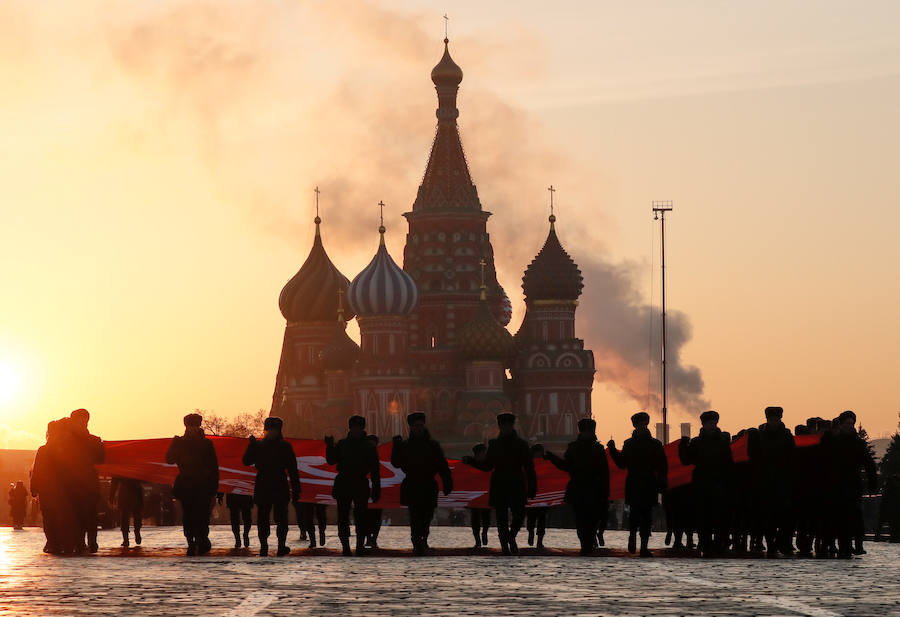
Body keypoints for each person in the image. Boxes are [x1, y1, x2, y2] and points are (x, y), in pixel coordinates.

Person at [462, 413, 536, 555]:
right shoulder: (494, 445)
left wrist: (532, 486)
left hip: (516, 483)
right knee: (501, 518)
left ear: (512, 426)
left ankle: (510, 537)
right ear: (500, 427)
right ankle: (505, 546)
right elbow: (488, 466)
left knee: (519, 516)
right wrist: (471, 461)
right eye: (504, 425)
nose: (506, 428)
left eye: (508, 425)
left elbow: (529, 467)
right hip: (500, 483)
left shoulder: (521, 445)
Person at [390, 412, 453, 555]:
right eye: (415, 426)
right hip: (412, 484)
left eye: (420, 426)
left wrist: (447, 482)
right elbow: (396, 463)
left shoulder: (433, 445)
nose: (418, 428)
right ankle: (417, 541)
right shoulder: (405, 446)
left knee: (427, 515)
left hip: (428, 485)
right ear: (411, 428)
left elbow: (442, 465)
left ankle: (423, 538)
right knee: (415, 515)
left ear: (423, 426)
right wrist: (396, 447)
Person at [545, 418, 610, 556]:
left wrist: (605, 493)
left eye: (589, 431)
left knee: (592, 521)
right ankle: (585, 545)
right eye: (586, 430)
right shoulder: (574, 447)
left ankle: (588, 543)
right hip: (579, 489)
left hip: (594, 490)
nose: (588, 433)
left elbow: (604, 472)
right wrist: (552, 458)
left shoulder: (597, 448)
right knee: (580, 521)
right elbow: (565, 466)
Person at [608, 412, 667, 557]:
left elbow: (662, 466)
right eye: (639, 424)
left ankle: (644, 546)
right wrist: (613, 450)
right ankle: (633, 536)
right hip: (634, 483)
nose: (641, 426)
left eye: (644, 423)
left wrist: (661, 483)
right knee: (634, 515)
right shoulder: (629, 444)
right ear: (635, 425)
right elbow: (622, 463)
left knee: (647, 517)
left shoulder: (655, 444)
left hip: (648, 484)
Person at [820, 410, 877, 558]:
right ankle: (838, 545)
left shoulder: (858, 443)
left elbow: (869, 464)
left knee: (853, 517)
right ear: (841, 424)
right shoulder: (832, 442)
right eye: (847, 423)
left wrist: (872, 484)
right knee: (837, 517)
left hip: (852, 486)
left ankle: (852, 545)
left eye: (852, 423)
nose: (850, 426)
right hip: (834, 486)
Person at [242, 416, 301, 557]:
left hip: (278, 484)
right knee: (263, 518)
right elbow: (246, 461)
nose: (273, 432)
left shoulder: (284, 446)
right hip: (265, 484)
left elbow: (293, 469)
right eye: (271, 429)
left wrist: (296, 488)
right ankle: (264, 545)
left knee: (281, 518)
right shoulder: (259, 445)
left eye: (275, 430)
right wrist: (251, 446)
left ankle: (281, 545)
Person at [678, 410, 733, 557]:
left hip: (719, 483)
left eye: (714, 423)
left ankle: (718, 543)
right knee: (703, 517)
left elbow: (729, 463)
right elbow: (686, 460)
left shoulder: (723, 441)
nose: (712, 426)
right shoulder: (697, 442)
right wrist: (683, 446)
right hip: (702, 484)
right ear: (703, 424)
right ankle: (704, 542)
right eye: (709, 423)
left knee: (720, 516)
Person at [325, 415, 381, 556]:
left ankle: (359, 545)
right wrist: (329, 447)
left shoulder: (368, 447)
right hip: (344, 483)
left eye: (359, 427)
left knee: (361, 517)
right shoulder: (342, 444)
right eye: (354, 427)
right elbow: (331, 460)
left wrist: (376, 489)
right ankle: (346, 546)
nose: (356, 430)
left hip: (360, 483)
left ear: (362, 428)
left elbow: (375, 470)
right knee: (343, 517)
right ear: (350, 428)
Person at [166, 413, 219, 556]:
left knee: (202, 516)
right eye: (190, 426)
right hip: (186, 485)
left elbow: (214, 467)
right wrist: (175, 444)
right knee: (188, 516)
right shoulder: (180, 442)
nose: (193, 429)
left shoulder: (206, 443)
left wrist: (214, 489)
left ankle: (201, 539)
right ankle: (191, 541)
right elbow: (169, 459)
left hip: (202, 485)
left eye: (195, 426)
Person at [68, 408, 105, 553]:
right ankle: (90, 542)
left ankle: (82, 542)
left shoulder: (67, 443)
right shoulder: (95, 440)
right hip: (87, 483)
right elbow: (101, 459)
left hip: (75, 484)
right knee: (89, 514)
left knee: (79, 514)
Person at [525, 444, 548, 549]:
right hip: (531, 496)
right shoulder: (527, 464)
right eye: (537, 452)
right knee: (531, 519)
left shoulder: (546, 463)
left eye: (540, 452)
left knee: (542, 519)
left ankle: (539, 541)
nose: (539, 454)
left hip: (543, 497)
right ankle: (530, 533)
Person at [467, 444, 491, 549]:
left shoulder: (489, 464)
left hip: (486, 495)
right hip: (475, 495)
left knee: (486, 518)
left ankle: (484, 532)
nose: (483, 455)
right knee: (475, 518)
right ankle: (477, 540)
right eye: (481, 453)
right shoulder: (470, 463)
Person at [109, 476, 143, 547]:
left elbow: (114, 483)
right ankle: (136, 533)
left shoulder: (120, 468)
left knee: (125, 517)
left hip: (125, 494)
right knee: (136, 515)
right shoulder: (135, 466)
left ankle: (126, 539)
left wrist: (111, 497)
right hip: (136, 492)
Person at [364, 434, 383, 550]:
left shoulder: (381, 454)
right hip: (364, 490)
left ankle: (374, 538)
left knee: (376, 517)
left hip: (378, 489)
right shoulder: (361, 454)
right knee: (364, 517)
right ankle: (368, 538)